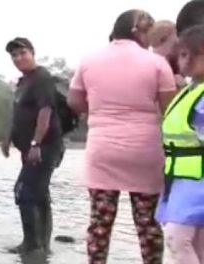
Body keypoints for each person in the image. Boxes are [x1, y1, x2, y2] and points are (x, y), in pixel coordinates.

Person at [67, 10, 174, 263]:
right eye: (148, 32)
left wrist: (99, 112)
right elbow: (169, 108)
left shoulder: (89, 60)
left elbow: (73, 100)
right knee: (148, 223)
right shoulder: (157, 63)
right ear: (138, 29)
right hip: (144, 150)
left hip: (103, 150)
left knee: (100, 224)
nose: (151, 39)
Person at [2, 37, 64, 254]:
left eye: (22, 53)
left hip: (45, 147)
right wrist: (8, 137)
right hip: (29, 148)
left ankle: (32, 243)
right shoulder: (24, 81)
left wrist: (36, 144)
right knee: (38, 192)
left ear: (32, 52)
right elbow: (17, 111)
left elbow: (45, 111)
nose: (18, 58)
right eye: (14, 55)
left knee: (23, 190)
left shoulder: (41, 78)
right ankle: (42, 245)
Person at [156, 24, 204, 264]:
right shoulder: (189, 91)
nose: (180, 60)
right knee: (196, 243)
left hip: (197, 183)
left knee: (177, 238)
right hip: (181, 179)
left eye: (186, 54)